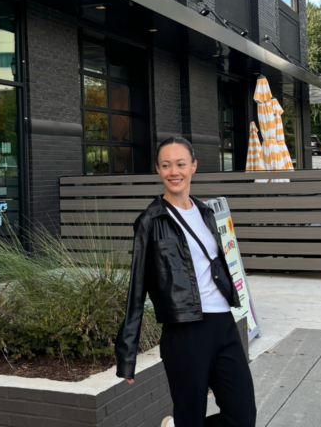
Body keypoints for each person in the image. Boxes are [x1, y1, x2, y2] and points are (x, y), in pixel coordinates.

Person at [114, 137, 256, 427]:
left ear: (193, 166)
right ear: (158, 169)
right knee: (191, 418)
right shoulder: (150, 221)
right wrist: (127, 355)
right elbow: (136, 289)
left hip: (223, 326)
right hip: (184, 332)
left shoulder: (206, 212)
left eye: (180, 164)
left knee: (243, 417)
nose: (173, 171)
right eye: (166, 165)